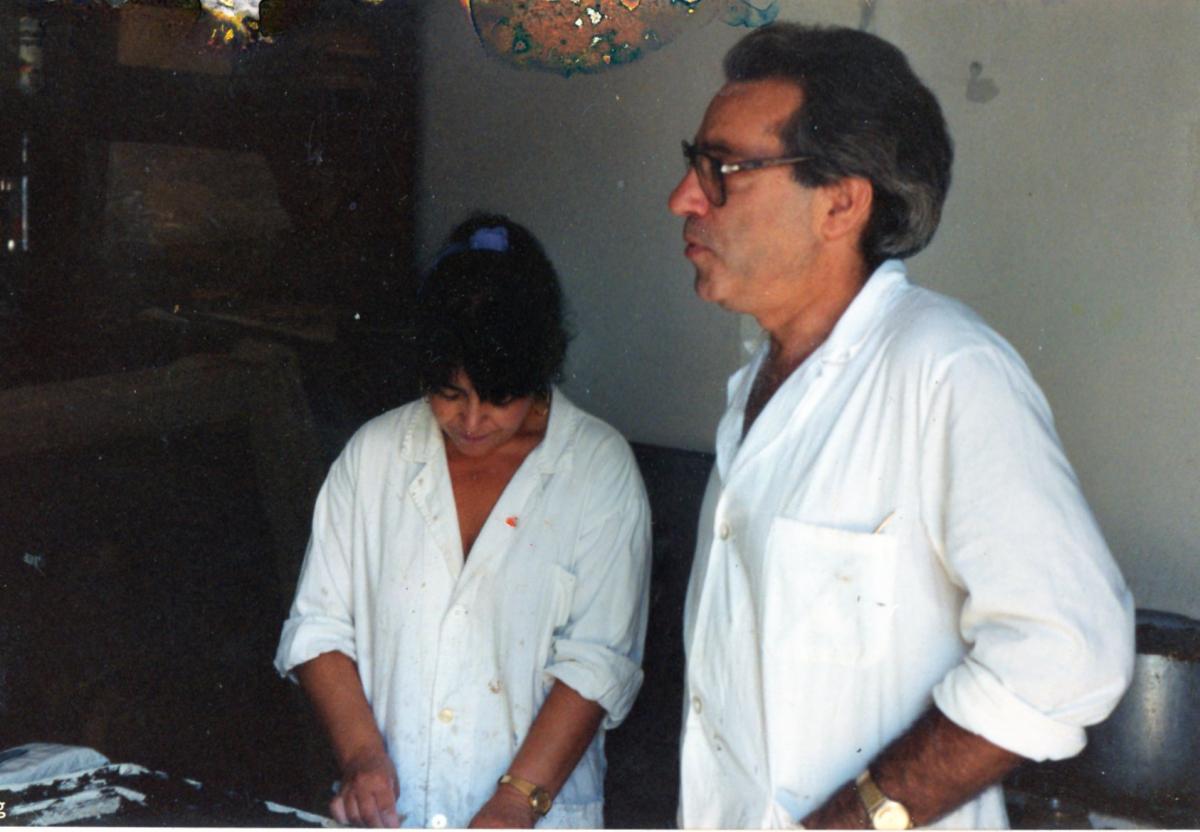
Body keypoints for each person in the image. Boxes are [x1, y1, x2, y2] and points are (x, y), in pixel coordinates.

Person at [667, 23, 1134, 829]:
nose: (685, 197)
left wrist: (857, 818)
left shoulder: (946, 370)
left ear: (841, 202)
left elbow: (1067, 653)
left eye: (724, 169)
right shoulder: (756, 388)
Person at [274, 214, 652, 829]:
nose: (471, 421)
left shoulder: (596, 469)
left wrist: (515, 802)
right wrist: (363, 757)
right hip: (394, 813)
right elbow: (319, 628)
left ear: (541, 368)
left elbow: (598, 661)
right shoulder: (374, 455)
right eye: (450, 393)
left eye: (500, 397)